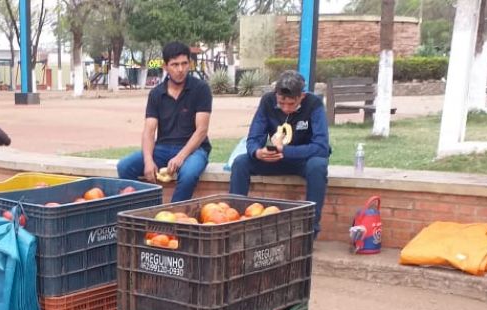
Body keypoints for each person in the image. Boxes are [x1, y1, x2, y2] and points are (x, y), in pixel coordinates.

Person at [229, 70, 331, 237]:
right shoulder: (268, 101)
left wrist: (287, 150)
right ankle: (233, 223)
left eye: (291, 104)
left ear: (302, 96)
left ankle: (310, 229)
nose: (285, 108)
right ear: (275, 94)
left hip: (302, 160)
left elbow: (321, 147)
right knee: (241, 163)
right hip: (273, 158)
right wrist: (257, 152)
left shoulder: (314, 104)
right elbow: (253, 138)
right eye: (281, 103)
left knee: (318, 165)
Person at [117, 41, 212, 202]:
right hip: (163, 148)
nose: (180, 69)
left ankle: (172, 217)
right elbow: (149, 131)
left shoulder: (201, 89)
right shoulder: (156, 93)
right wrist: (148, 161)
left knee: (188, 174)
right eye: (175, 65)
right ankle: (144, 212)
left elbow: (201, 130)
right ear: (165, 66)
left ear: (190, 64)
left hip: (194, 150)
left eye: (184, 64)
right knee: (125, 166)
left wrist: (181, 157)